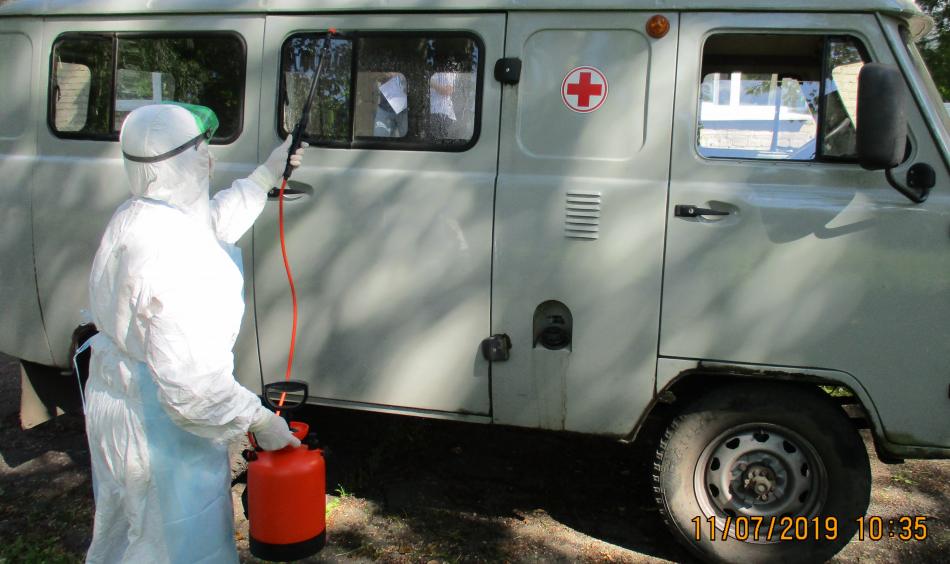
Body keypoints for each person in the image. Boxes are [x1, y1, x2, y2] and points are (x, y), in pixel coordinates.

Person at [83, 103, 306, 563]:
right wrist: (261, 421)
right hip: (159, 427)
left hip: (119, 405)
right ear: (184, 161)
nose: (210, 158)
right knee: (175, 545)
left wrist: (267, 174)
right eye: (203, 148)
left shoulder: (138, 217)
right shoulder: (179, 256)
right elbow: (193, 389)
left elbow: (212, 225)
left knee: (128, 532)